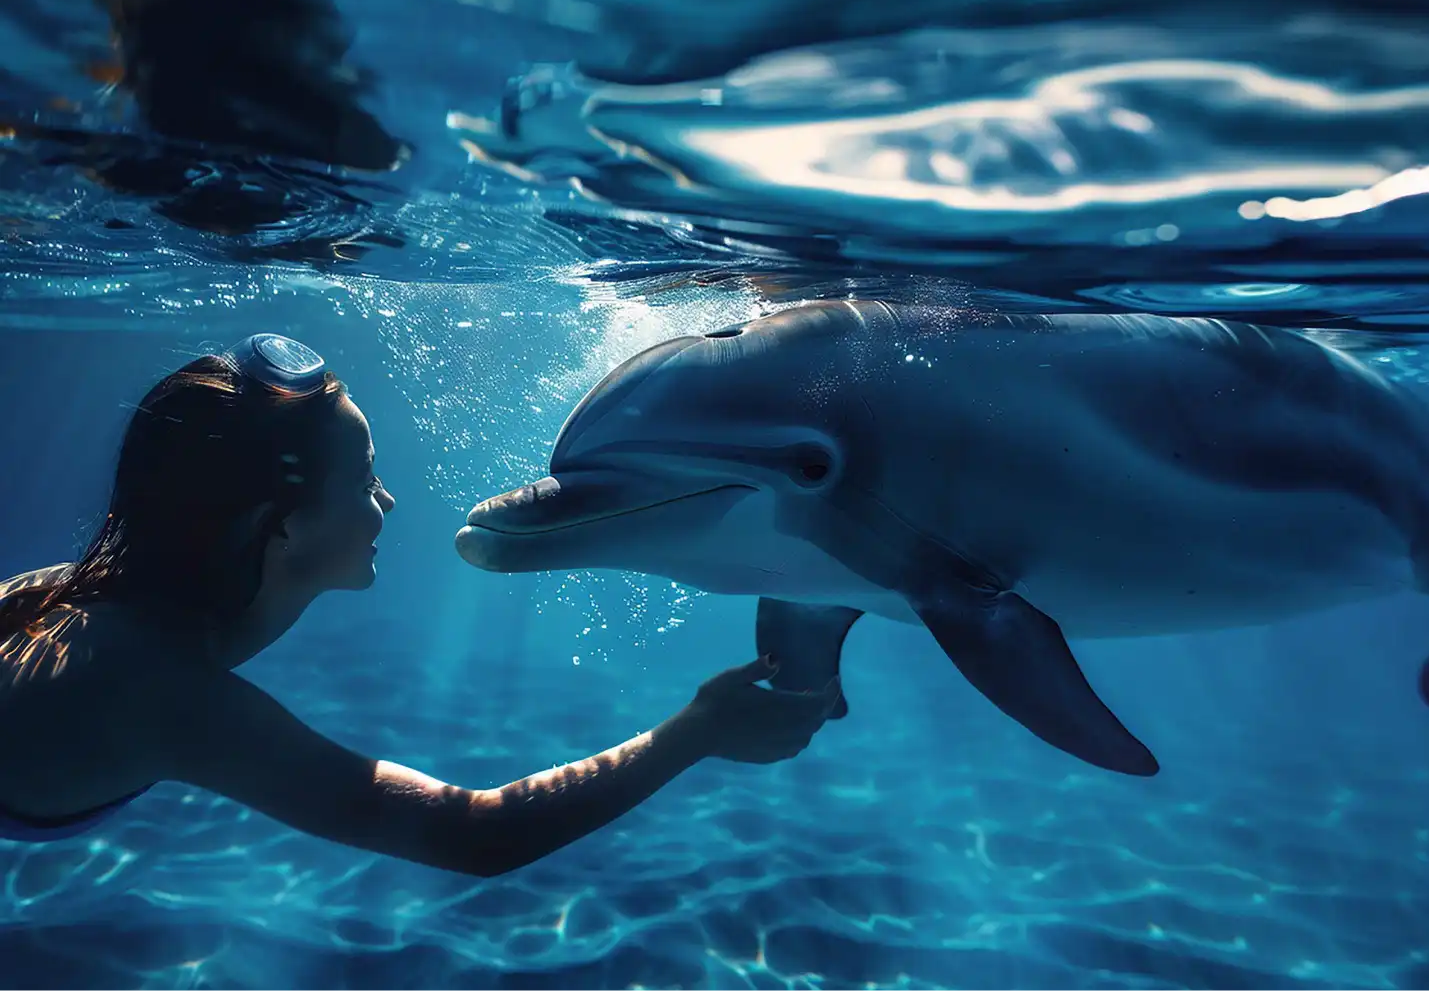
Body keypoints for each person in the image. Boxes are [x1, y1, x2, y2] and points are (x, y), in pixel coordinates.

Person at [0, 334, 839, 875]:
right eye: (363, 480)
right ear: (280, 528)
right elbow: (472, 833)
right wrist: (696, 732)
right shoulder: (163, 697)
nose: (388, 501)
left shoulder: (83, 596)